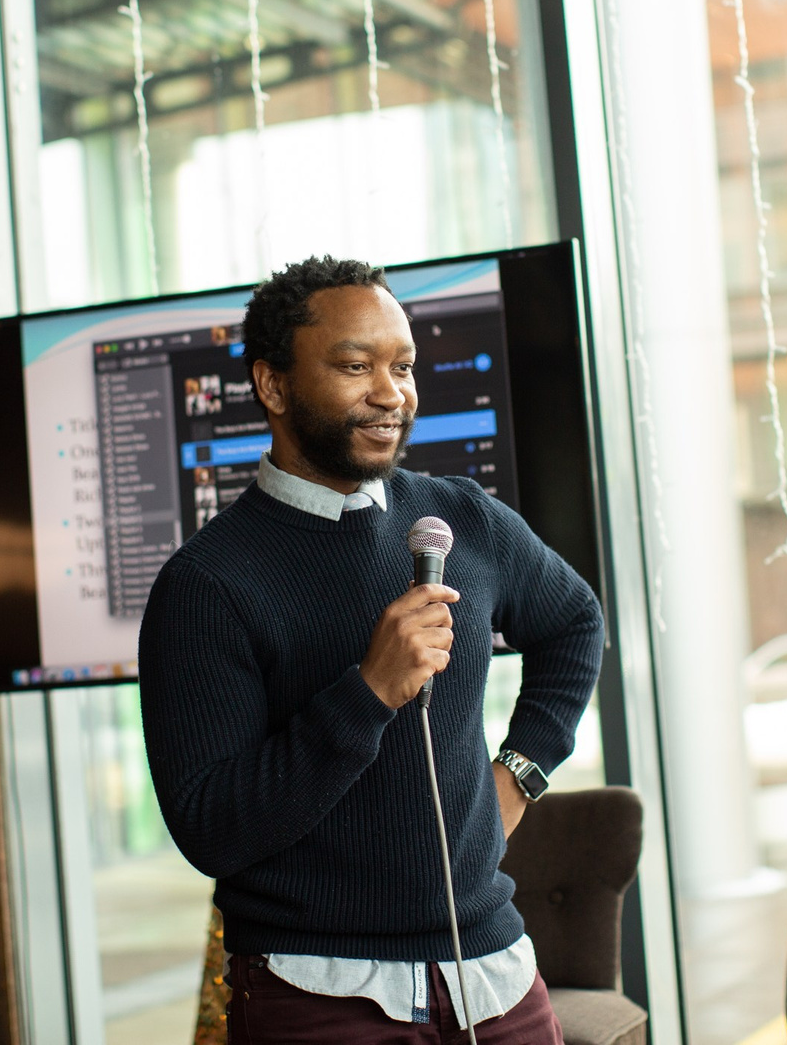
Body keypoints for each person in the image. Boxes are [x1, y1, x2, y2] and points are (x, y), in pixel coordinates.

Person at [139, 256, 603, 1044]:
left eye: (403, 367)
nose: (391, 394)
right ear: (274, 385)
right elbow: (211, 828)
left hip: (492, 971)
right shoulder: (207, 584)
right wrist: (369, 692)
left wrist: (520, 774)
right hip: (317, 989)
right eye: (357, 367)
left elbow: (575, 623)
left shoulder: (461, 518)